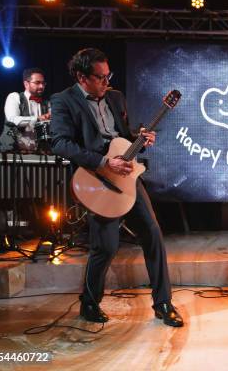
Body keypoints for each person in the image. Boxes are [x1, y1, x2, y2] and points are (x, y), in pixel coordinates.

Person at [50, 48, 183, 327]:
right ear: (81, 77)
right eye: (99, 77)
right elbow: (60, 143)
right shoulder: (64, 100)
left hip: (128, 178)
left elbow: (121, 137)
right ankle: (89, 302)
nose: (106, 82)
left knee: (153, 235)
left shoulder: (115, 97)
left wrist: (139, 137)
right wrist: (102, 162)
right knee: (106, 247)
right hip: (97, 180)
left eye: (107, 75)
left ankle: (163, 303)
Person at [0, 68, 51, 152]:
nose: (42, 86)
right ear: (26, 84)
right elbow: (13, 119)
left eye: (43, 83)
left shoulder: (46, 104)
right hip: (13, 152)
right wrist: (38, 118)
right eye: (37, 83)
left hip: (38, 153)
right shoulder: (15, 97)